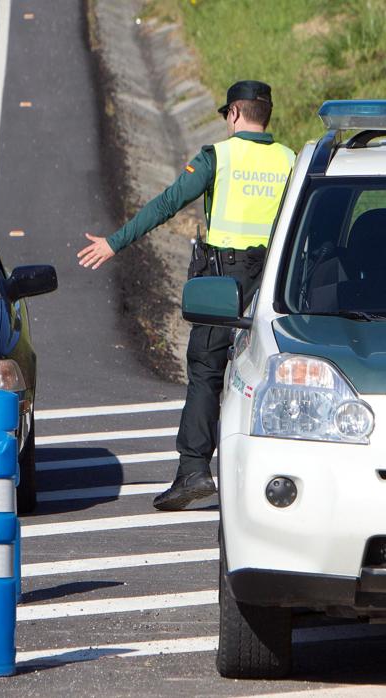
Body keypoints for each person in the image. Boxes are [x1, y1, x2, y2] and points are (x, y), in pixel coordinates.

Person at [78, 80, 295, 511]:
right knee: (274, 375)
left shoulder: (220, 156)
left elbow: (167, 204)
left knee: (206, 371)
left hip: (224, 281)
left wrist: (114, 243)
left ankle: (193, 471)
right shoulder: (290, 160)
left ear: (234, 113)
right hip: (275, 279)